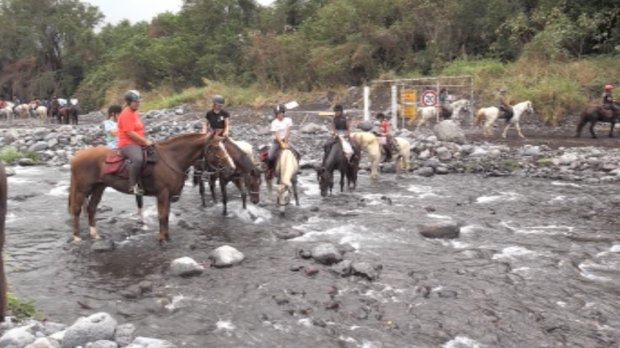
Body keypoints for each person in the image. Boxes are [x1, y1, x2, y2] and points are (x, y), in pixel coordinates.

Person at [117, 90, 153, 196]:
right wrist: (145, 141)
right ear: (129, 102)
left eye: (138, 101)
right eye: (135, 101)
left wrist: (144, 141)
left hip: (138, 143)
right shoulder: (125, 114)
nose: (138, 103)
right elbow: (130, 132)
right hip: (127, 144)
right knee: (138, 159)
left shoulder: (135, 113)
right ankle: (132, 185)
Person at [266, 104, 293, 178]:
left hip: (286, 140)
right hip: (277, 141)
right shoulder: (274, 122)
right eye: (277, 114)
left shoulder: (288, 120)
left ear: (283, 113)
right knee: (270, 156)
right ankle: (270, 170)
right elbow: (276, 134)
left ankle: (296, 168)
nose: (279, 115)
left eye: (280, 113)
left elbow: (288, 131)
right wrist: (281, 143)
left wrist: (285, 142)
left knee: (296, 153)